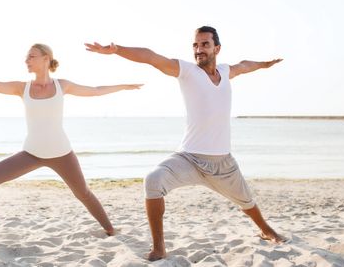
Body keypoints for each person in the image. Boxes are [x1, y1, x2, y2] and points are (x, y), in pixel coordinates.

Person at [85, 26, 286, 261]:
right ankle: (159, 247)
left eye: (204, 44)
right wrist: (117, 50)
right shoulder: (187, 71)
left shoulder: (225, 71)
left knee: (247, 201)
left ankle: (266, 229)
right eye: (195, 45)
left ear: (217, 48)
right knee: (153, 180)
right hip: (188, 158)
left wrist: (264, 64)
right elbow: (151, 57)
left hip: (222, 162)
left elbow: (244, 65)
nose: (199, 49)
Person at [0, 43, 142, 248]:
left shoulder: (62, 85)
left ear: (46, 59)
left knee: (83, 193)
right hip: (32, 153)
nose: (26, 60)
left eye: (31, 56)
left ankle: (111, 229)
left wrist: (122, 86)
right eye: (26, 57)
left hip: (62, 153)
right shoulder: (22, 88)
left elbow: (95, 90)